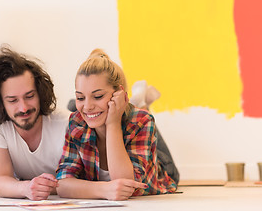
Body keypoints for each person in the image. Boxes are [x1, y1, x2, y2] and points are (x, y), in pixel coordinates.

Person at [56, 49, 177, 201]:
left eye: (98, 96)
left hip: (161, 170)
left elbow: (129, 186)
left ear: (118, 94)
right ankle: (135, 102)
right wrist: (104, 190)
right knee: (76, 108)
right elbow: (62, 185)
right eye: (80, 97)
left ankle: (140, 104)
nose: (87, 106)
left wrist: (113, 123)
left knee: (142, 115)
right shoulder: (76, 122)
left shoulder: (142, 121)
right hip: (111, 119)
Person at [0, 46, 69, 201]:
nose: (23, 108)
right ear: (0, 102)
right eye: (12, 100)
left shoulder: (66, 124)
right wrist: (26, 188)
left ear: (40, 93)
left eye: (29, 96)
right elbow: (0, 179)